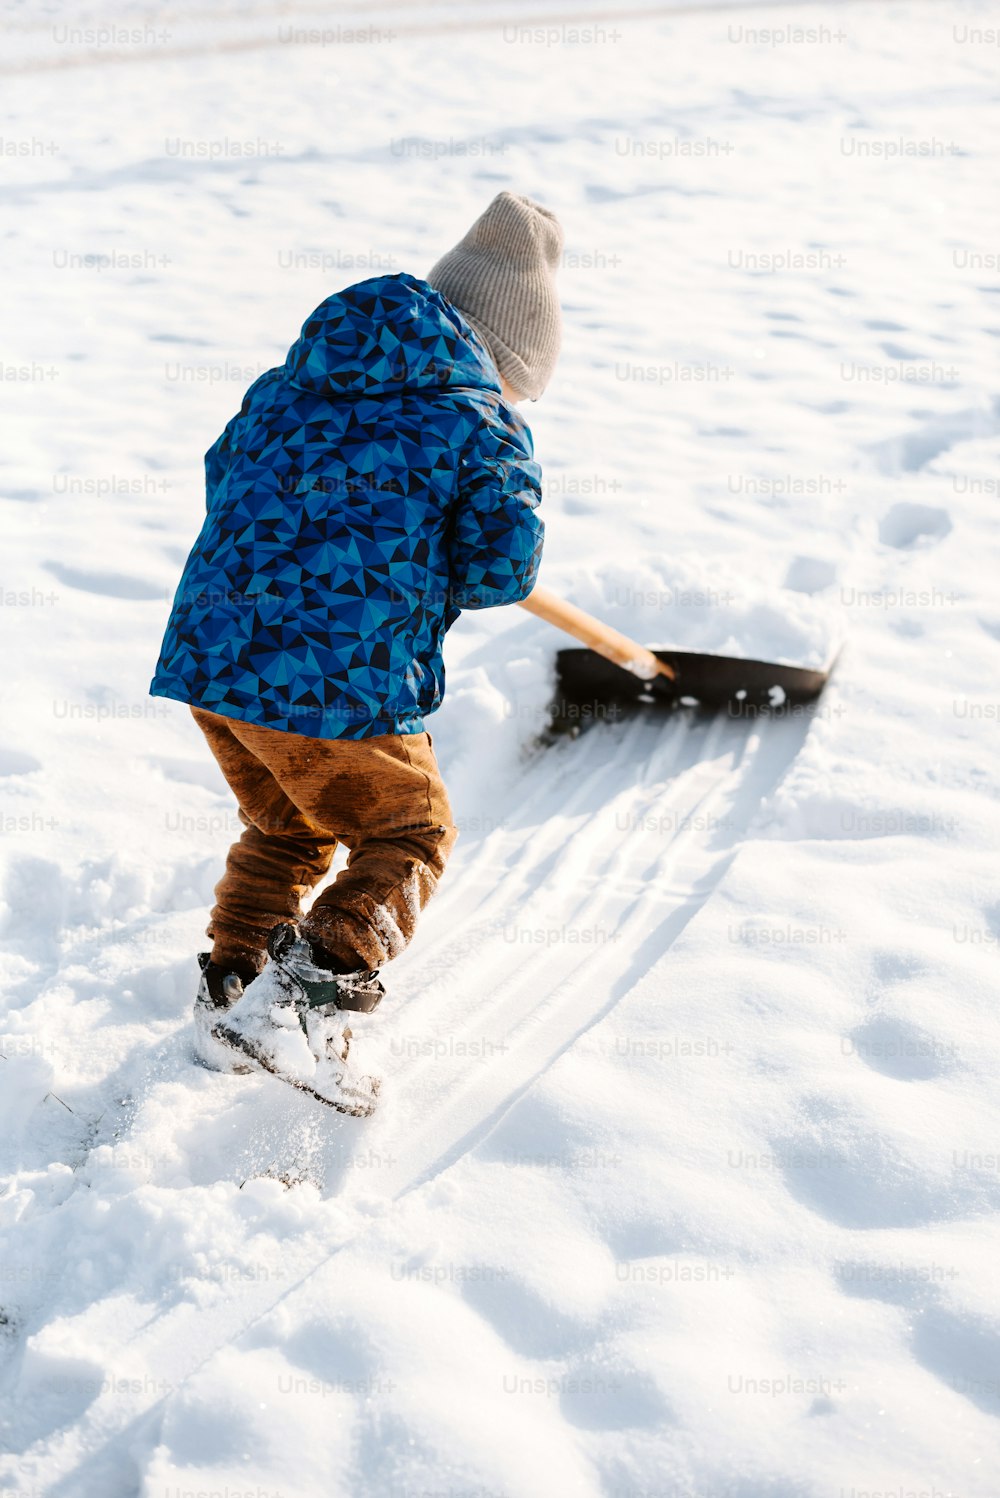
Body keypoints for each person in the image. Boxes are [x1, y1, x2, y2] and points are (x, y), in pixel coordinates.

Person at [149, 191, 563, 1109]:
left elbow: (224, 472)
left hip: (212, 653)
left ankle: (231, 993)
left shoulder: (290, 381)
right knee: (407, 832)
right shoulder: (481, 423)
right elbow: (502, 566)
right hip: (340, 678)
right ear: (505, 358)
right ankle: (301, 1006)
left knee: (288, 823)